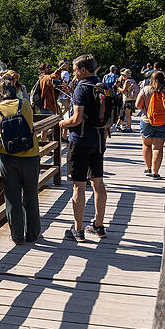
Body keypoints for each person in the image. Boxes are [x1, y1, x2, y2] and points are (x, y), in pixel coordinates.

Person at [58, 54, 108, 242]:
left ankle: (78, 230)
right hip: (98, 140)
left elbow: (77, 119)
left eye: (75, 69)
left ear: (83, 70)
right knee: (98, 183)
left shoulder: (82, 88)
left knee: (78, 186)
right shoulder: (103, 86)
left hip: (80, 141)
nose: (73, 73)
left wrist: (63, 124)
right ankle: (99, 226)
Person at [0, 79, 41, 244]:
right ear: (14, 91)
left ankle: (17, 236)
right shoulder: (24, 103)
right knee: (31, 195)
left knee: (12, 197)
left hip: (8, 157)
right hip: (31, 156)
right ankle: (33, 234)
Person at [136, 71, 165, 180]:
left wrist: (145, 109)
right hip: (163, 121)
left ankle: (148, 168)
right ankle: (155, 173)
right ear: (164, 79)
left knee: (147, 145)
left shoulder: (146, 89)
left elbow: (138, 105)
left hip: (147, 121)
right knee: (158, 147)